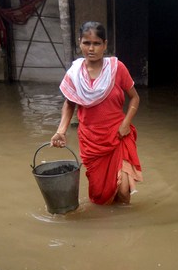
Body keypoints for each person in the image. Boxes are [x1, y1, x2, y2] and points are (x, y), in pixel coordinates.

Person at [51, 22, 142, 204]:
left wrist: (125, 124)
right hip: (91, 141)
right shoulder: (74, 73)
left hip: (117, 136)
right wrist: (61, 131)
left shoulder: (117, 69)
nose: (91, 49)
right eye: (86, 43)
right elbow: (69, 103)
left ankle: (126, 229)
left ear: (105, 45)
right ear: (80, 43)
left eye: (96, 43)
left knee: (123, 191)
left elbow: (135, 98)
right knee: (100, 197)